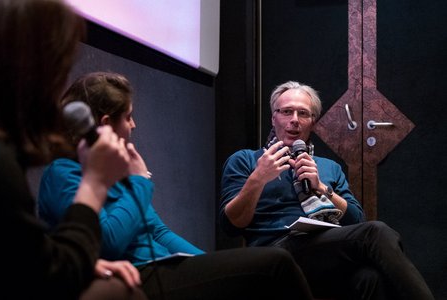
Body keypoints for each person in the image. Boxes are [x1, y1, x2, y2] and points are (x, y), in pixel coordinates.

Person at [0, 1, 146, 299]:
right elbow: (48, 280)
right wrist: (95, 183)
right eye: (59, 68)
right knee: (121, 292)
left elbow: (5, 254)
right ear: (34, 71)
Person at [38, 72, 315, 300]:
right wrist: (139, 182)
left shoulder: (115, 173)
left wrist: (208, 264)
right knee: (275, 264)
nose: (133, 125)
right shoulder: (64, 173)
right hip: (137, 274)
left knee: (257, 274)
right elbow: (107, 242)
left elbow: (156, 231)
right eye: (128, 117)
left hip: (164, 266)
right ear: (106, 124)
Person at [219, 80, 435, 300]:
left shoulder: (329, 167)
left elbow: (356, 220)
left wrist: (323, 188)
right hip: (274, 252)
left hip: (323, 249)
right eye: (286, 112)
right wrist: (258, 178)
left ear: (313, 122)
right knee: (376, 232)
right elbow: (231, 225)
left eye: (303, 114)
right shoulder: (246, 160)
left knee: (369, 278)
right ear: (273, 118)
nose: (294, 120)